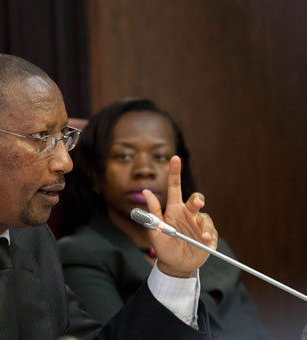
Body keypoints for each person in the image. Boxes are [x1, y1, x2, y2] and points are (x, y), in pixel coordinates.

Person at [0, 52, 218, 340]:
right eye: (40, 138)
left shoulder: (30, 238)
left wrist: (174, 272)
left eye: (64, 137)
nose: (65, 162)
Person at [58, 98, 271, 339]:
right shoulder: (81, 253)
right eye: (124, 156)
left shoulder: (209, 245)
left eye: (159, 156)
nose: (144, 169)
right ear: (94, 173)